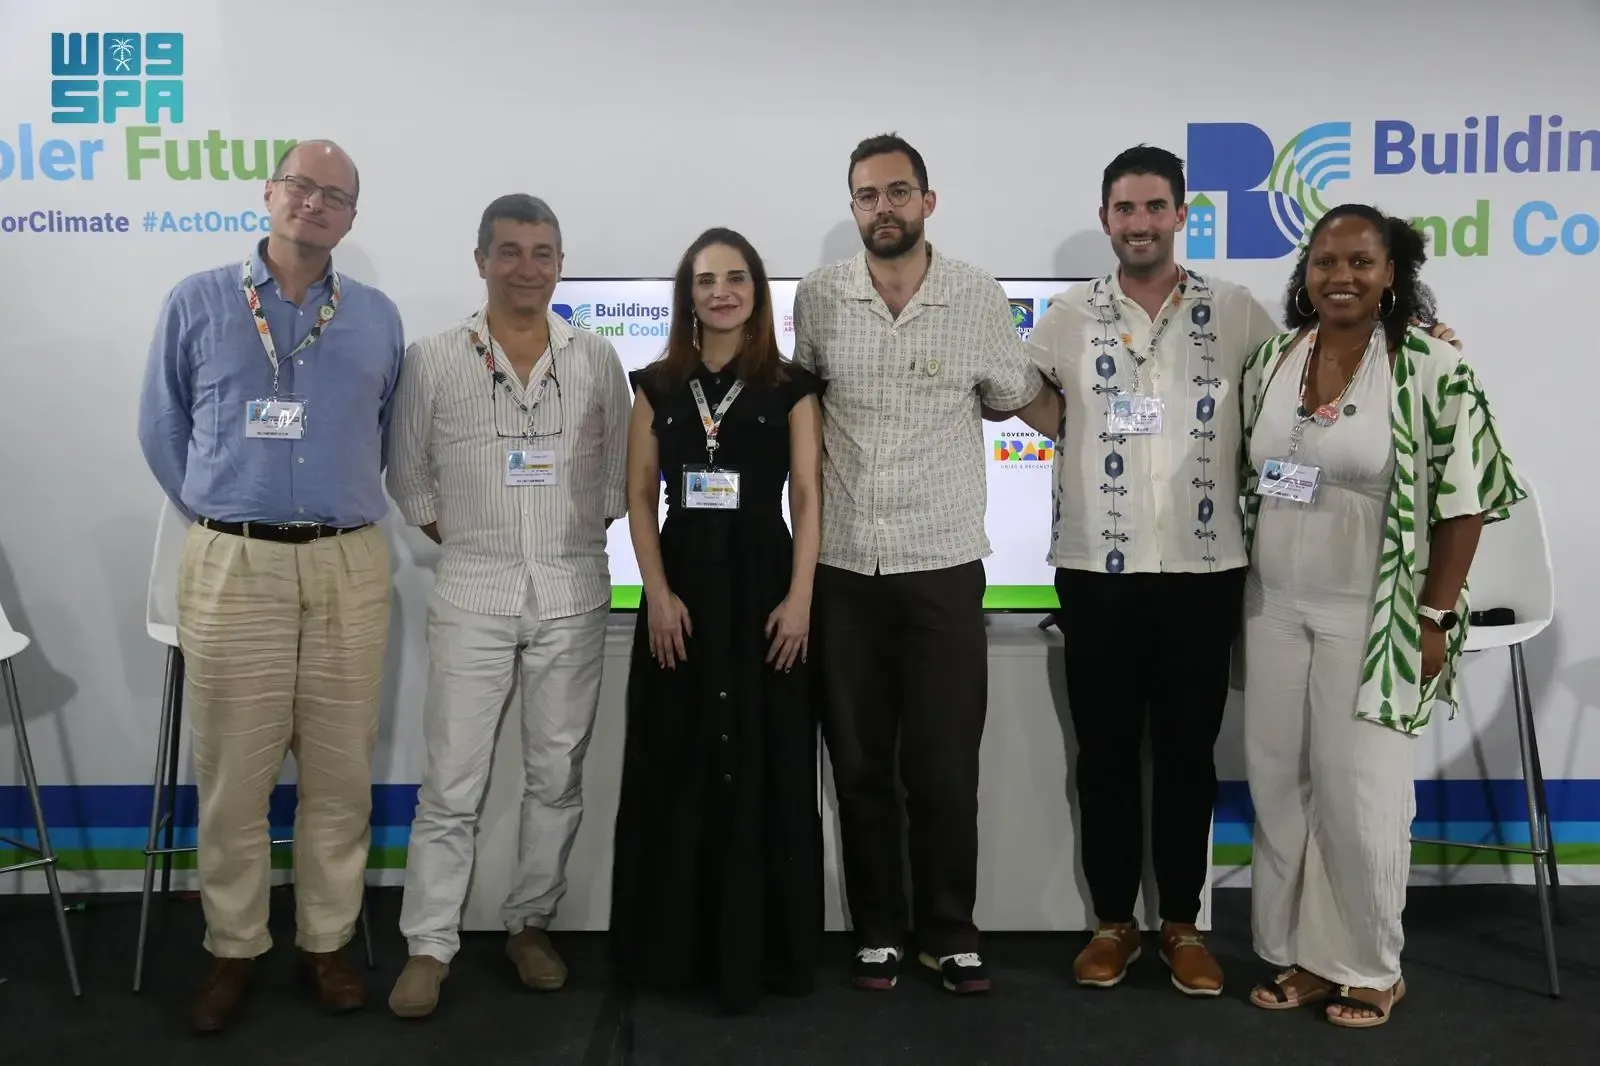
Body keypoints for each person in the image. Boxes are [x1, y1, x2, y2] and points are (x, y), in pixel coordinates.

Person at [136, 140, 405, 1033]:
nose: (314, 203)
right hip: (235, 562)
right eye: (301, 186)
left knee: (338, 772)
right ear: (269, 194)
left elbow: (386, 432)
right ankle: (232, 947)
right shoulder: (200, 301)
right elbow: (163, 426)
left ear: (351, 218)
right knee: (234, 775)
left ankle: (325, 942)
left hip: (346, 562)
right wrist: (227, 509)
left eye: (334, 195)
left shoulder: (375, 318)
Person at [1237, 205, 1524, 1028]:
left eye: (1361, 262)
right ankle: (1298, 955)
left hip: (1380, 618)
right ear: (1307, 271)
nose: (1341, 277)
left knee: (1362, 791)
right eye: (1326, 261)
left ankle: (1368, 965)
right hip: (1273, 608)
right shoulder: (1272, 360)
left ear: (1392, 272)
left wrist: (1435, 614)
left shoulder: (1433, 367)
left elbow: (1467, 505)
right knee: (1283, 784)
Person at [1006, 145, 1279, 996]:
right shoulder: (1068, 315)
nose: (1140, 223)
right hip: (1098, 568)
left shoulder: (1235, 312)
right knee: (1107, 753)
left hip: (1203, 570)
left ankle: (1184, 924)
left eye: (1155, 207)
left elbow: (1291, 394)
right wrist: (1072, 429)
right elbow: (1022, 390)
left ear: (1180, 214)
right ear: (1106, 220)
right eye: (1125, 210)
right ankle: (1113, 923)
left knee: (1190, 752)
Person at [793, 133, 1057, 995]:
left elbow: (1024, 400)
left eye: (898, 192)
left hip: (942, 566)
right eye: (867, 196)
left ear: (928, 202)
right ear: (854, 208)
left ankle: (949, 930)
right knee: (861, 766)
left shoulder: (978, 296)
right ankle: (877, 927)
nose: (884, 209)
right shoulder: (821, 299)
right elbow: (795, 413)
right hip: (841, 570)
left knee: (944, 768)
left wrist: (1132, 416)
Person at [384, 195, 631, 1018]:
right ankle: (429, 944)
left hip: (570, 593)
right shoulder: (433, 359)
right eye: (511, 250)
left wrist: (560, 541)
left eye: (544, 251)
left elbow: (615, 479)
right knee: (452, 784)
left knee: (555, 777)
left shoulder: (596, 359)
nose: (528, 266)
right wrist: (480, 544)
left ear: (560, 263)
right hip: (473, 595)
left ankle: (530, 923)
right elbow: (409, 480)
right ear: (481, 258)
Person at [609, 226, 824, 1014]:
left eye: (736, 278)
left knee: (767, 766)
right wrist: (655, 594)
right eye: (706, 280)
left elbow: (806, 496)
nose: (721, 292)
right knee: (679, 762)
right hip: (683, 594)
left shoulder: (791, 387)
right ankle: (673, 953)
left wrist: (802, 598)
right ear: (687, 294)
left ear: (758, 292)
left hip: (767, 591)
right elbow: (637, 496)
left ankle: (761, 955)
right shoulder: (657, 385)